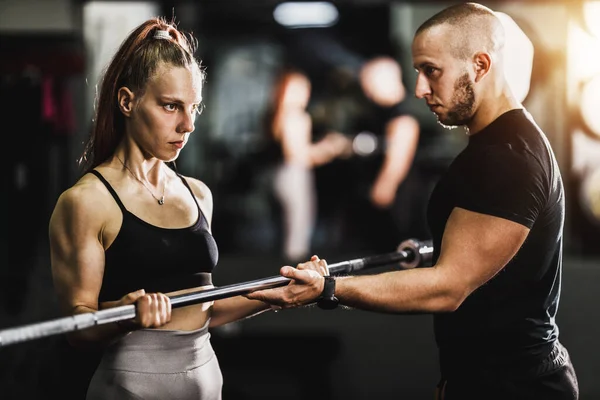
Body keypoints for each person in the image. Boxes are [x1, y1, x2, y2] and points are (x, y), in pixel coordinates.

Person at [247, 3, 579, 399]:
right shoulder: (496, 146)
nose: (420, 88)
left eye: (431, 71)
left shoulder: (508, 158)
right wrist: (429, 251)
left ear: (480, 65)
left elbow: (448, 288)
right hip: (489, 379)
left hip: (516, 386)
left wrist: (329, 288)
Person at [48, 17, 278, 400]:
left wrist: (280, 292)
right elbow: (78, 330)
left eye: (194, 109)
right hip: (133, 384)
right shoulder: (87, 201)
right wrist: (123, 312)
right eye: (171, 106)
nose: (187, 125)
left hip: (205, 378)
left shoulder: (197, 194)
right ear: (127, 101)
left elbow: (203, 309)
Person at [265, 68, 353, 262]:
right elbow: (298, 156)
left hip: (281, 175)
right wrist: (329, 148)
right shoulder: (296, 117)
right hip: (294, 175)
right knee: (298, 231)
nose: (305, 94)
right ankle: (293, 274)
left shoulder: (277, 116)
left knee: (287, 229)